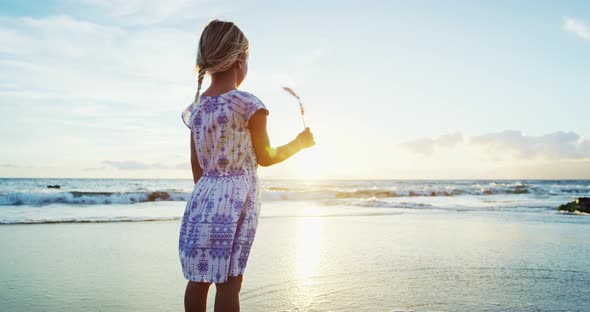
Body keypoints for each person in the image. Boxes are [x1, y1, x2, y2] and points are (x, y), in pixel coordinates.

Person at [178, 20, 315, 312]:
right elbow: (265, 156)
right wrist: (299, 144)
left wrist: (209, 198)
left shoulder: (197, 107)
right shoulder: (249, 104)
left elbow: (196, 164)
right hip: (236, 201)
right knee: (230, 282)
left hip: (202, 199)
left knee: (198, 278)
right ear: (241, 60)